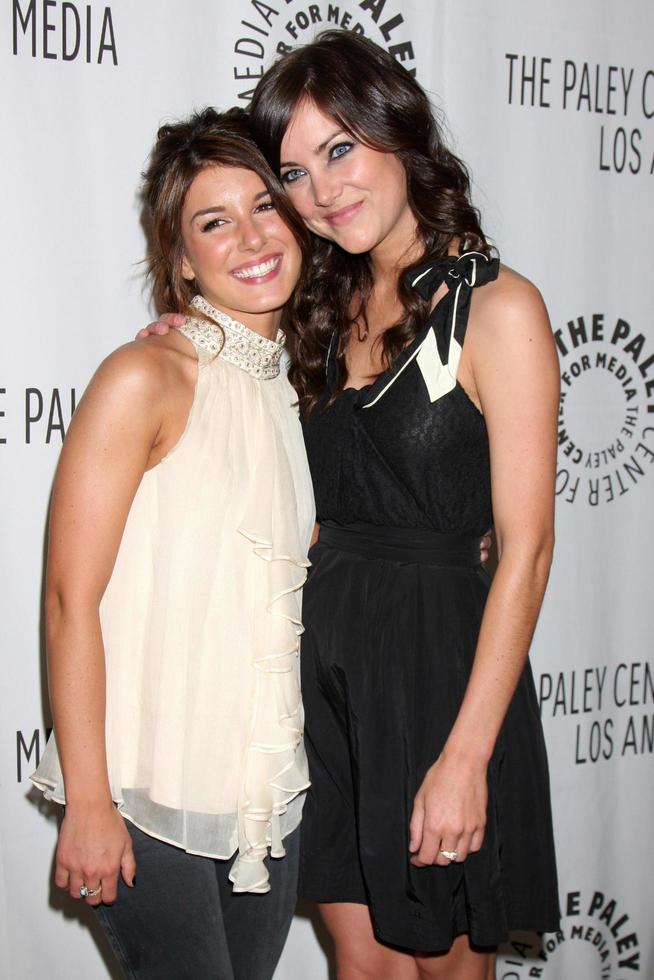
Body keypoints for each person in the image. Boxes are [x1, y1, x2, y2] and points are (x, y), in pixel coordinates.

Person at [144, 30, 560, 980]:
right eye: (294, 170)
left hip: (443, 676)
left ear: (396, 131)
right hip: (319, 675)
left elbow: (527, 551)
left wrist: (465, 757)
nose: (322, 191)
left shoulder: (497, 309)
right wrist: (187, 331)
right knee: (363, 966)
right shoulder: (315, 309)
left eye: (341, 150)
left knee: (449, 968)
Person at [31, 107, 316, 980]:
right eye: (213, 222)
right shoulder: (145, 376)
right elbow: (68, 598)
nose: (250, 238)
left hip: (264, 805)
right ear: (181, 258)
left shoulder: (290, 389)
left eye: (264, 205)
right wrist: (89, 800)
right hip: (144, 803)